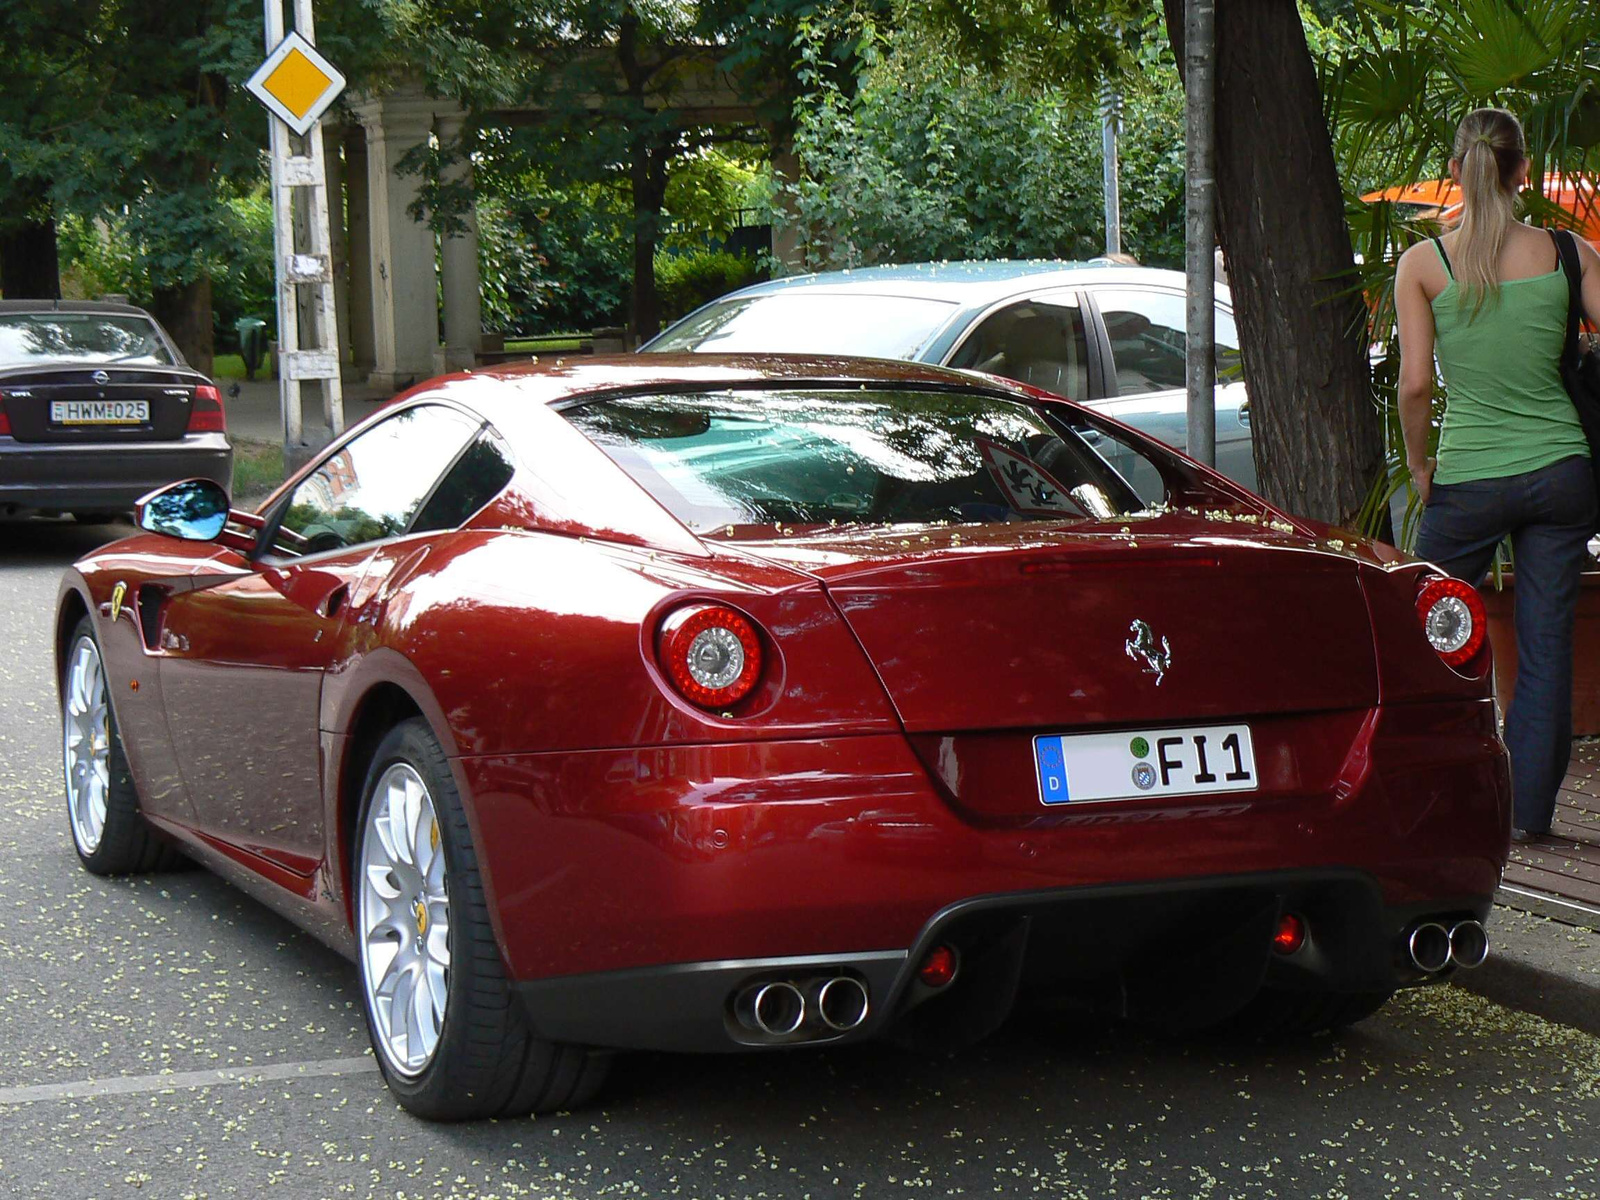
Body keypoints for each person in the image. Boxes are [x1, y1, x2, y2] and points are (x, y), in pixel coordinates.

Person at [1394, 107, 1600, 842]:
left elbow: (1415, 386)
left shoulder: (1425, 265)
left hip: (1470, 478)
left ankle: (1425, 799)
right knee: (1545, 652)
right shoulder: (1566, 252)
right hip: (1562, 471)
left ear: (1457, 170)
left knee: (1419, 637)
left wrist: (1421, 464)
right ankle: (1528, 819)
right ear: (1523, 173)